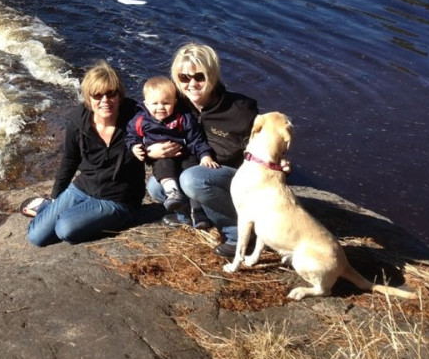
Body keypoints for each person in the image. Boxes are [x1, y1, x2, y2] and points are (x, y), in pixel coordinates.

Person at [145, 43, 259, 257]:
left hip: (231, 177)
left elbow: (265, 143)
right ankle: (191, 215)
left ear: (213, 75)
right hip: (194, 169)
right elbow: (145, 126)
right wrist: (151, 152)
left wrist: (279, 161)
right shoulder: (175, 104)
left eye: (199, 76)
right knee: (156, 186)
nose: (192, 84)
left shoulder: (241, 110)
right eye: (184, 78)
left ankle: (239, 235)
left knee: (191, 180)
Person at [20, 60, 145, 246]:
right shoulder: (79, 122)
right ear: (88, 98)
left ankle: (71, 214)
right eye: (97, 95)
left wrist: (154, 152)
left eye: (111, 93)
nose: (105, 101)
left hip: (118, 199)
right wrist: (56, 197)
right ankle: (50, 206)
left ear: (119, 95)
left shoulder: (136, 120)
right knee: (37, 237)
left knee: (65, 229)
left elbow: (159, 138)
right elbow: (70, 161)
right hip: (83, 189)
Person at [126, 76, 218, 223]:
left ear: (174, 102)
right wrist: (135, 147)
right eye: (155, 103)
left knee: (191, 172)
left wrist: (205, 155)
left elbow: (196, 139)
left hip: (186, 154)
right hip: (163, 158)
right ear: (146, 104)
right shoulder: (140, 120)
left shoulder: (182, 118)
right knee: (163, 165)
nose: (160, 107)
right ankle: (173, 194)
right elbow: (131, 136)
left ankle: (198, 212)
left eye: (166, 103)